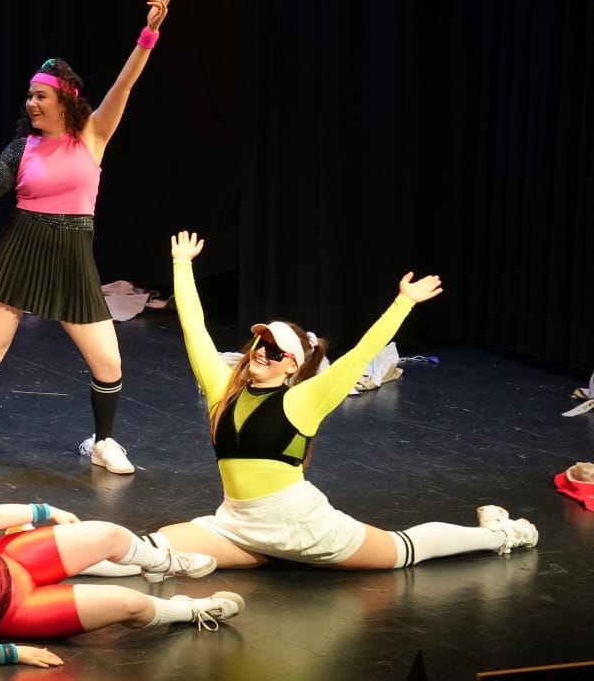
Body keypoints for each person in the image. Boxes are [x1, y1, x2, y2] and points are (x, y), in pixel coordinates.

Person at [133, 230, 539, 570]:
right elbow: (195, 329)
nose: (262, 353)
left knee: (401, 551)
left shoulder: (303, 399)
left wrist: (403, 303)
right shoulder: (223, 391)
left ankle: (503, 534)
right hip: (237, 525)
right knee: (154, 548)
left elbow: (361, 354)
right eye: (259, 344)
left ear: (292, 365)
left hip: (301, 527)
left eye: (275, 351)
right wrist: (182, 265)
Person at [0, 0, 174, 475]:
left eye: (40, 95)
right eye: (29, 96)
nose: (31, 102)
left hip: (73, 261)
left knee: (109, 364)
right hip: (19, 254)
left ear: (66, 100)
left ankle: (103, 442)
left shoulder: (93, 136)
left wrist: (149, 34)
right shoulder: (20, 150)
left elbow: (124, 85)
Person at [0, 484, 242, 669]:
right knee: (130, 604)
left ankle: (160, 562)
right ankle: (190, 610)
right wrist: (15, 653)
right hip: (12, 608)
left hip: (8, 562)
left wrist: (46, 511)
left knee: (109, 535)